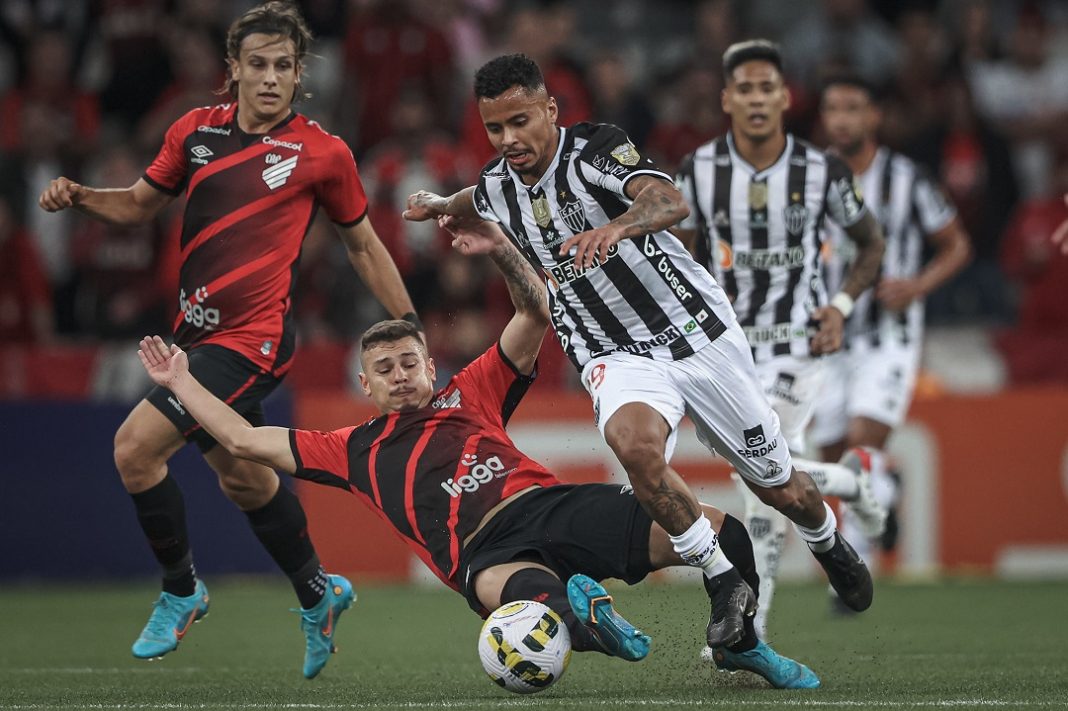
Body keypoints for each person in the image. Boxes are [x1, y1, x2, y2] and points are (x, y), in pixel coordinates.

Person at [135, 215, 820, 689]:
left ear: (430, 366)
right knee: (520, 605)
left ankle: (742, 646)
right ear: (365, 384)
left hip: (551, 506)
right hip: (487, 554)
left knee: (721, 530)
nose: (402, 373)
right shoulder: (351, 449)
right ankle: (579, 618)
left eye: (411, 360)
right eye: (387, 367)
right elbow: (242, 438)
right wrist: (181, 381)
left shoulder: (473, 390)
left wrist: (499, 247)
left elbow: (533, 314)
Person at [402, 52, 873, 663]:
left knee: (781, 488)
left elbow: (667, 201)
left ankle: (828, 538)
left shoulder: (594, 149)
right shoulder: (498, 184)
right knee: (635, 446)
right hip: (610, 348)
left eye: (521, 121)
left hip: (694, 332)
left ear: (550, 109)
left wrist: (617, 229)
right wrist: (442, 204)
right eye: (496, 128)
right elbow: (479, 197)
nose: (510, 139)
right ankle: (722, 576)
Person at [37, 2, 418, 678]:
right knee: (245, 478)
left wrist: (408, 324)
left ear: (299, 74)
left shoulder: (322, 152)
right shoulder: (194, 133)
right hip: (197, 335)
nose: (270, 78)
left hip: (254, 340)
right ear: (233, 70)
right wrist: (80, 195)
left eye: (283, 67)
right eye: (258, 64)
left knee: (134, 449)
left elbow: (361, 245)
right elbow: (138, 203)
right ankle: (318, 592)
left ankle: (182, 590)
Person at [673, 40, 887, 638]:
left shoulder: (822, 171)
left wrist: (841, 306)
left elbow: (871, 242)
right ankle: (851, 482)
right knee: (774, 471)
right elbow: (682, 259)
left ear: (786, 97)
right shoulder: (698, 172)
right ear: (726, 100)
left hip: (798, 345)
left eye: (767, 88)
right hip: (727, 350)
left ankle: (754, 628)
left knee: (757, 478)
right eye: (745, 89)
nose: (757, 99)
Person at [810, 74, 971, 577]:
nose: (842, 119)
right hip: (827, 333)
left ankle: (853, 569)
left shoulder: (907, 178)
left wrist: (918, 286)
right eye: (833, 108)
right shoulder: (806, 180)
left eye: (853, 108)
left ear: (874, 116)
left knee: (863, 442)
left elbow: (956, 244)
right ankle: (885, 490)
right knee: (832, 456)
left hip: (888, 335)